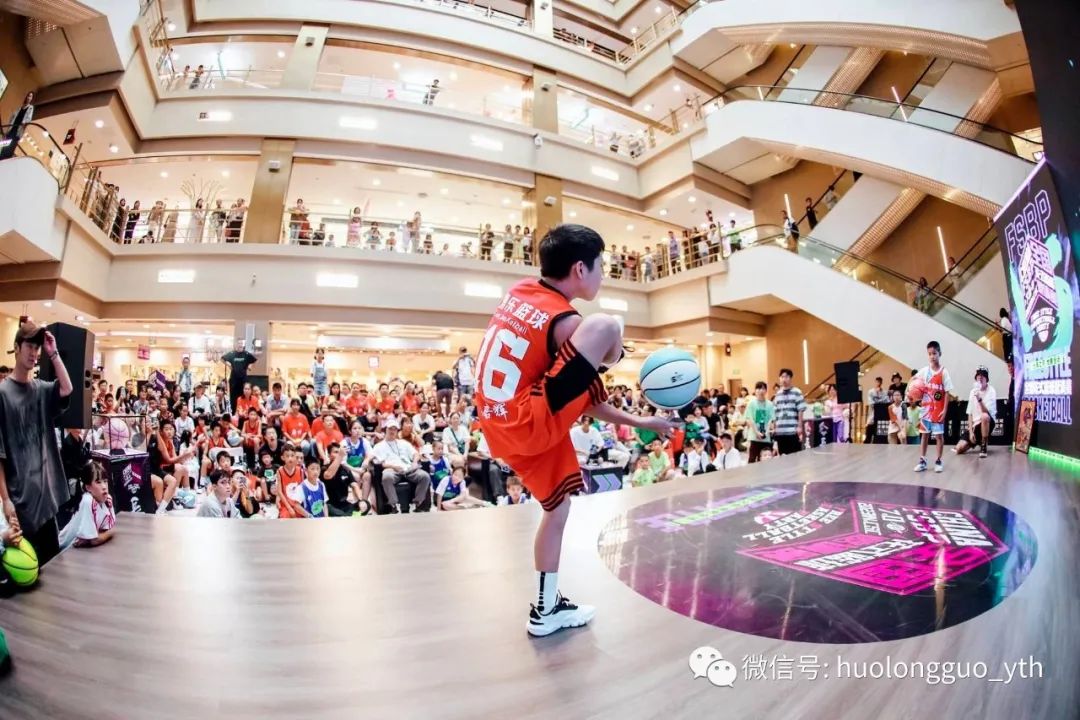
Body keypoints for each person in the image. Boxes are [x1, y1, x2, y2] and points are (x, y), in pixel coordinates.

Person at [474, 224, 679, 637]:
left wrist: (641, 422)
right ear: (580, 269)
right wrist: (612, 351)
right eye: (601, 265)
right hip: (528, 420)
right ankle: (612, 357)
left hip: (500, 419)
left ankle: (545, 608)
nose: (604, 273)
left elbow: (579, 399)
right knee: (607, 325)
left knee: (558, 510)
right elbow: (584, 376)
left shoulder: (521, 290)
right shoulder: (568, 324)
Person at [0, 319, 74, 565]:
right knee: (27, 571)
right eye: (29, 346)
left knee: (52, 569)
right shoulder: (3, 394)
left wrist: (53, 354)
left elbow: (67, 389)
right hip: (21, 502)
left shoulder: (40, 389)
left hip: (46, 498)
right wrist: (6, 500)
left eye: (37, 347)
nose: (34, 353)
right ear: (17, 347)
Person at [372, 420, 431, 512]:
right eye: (390, 429)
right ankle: (394, 504)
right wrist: (393, 467)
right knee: (387, 477)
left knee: (425, 476)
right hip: (392, 469)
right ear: (385, 430)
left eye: (395, 429)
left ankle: (417, 503)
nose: (392, 431)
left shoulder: (403, 443)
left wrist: (414, 462)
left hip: (408, 468)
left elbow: (415, 454)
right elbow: (381, 464)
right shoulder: (379, 446)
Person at [913, 340, 954, 473]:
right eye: (930, 354)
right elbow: (913, 381)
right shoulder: (924, 371)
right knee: (924, 435)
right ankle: (922, 460)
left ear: (939, 353)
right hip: (925, 410)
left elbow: (947, 392)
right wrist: (911, 393)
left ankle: (939, 460)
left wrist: (945, 410)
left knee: (938, 436)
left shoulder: (944, 372)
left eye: (934, 353)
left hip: (938, 410)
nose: (932, 356)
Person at [58, 466, 117, 549]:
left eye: (105, 481)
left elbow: (106, 529)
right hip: (65, 549)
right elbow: (95, 540)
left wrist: (95, 537)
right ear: (88, 487)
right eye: (98, 482)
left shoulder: (107, 499)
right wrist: (112, 532)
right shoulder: (87, 500)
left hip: (83, 549)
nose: (104, 487)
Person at [955, 366, 997, 458]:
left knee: (984, 416)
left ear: (987, 379)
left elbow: (986, 412)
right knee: (959, 449)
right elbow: (969, 413)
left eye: (983, 376)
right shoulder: (972, 392)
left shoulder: (991, 391)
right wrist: (971, 432)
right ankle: (976, 440)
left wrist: (979, 398)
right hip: (975, 425)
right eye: (978, 375)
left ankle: (984, 444)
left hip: (987, 422)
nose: (980, 378)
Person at [772, 369, 806, 455]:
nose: (784, 379)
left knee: (795, 456)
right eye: (782, 377)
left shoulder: (797, 392)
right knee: (783, 456)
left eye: (786, 377)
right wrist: (775, 427)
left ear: (790, 378)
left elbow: (800, 410)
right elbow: (775, 412)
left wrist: (800, 426)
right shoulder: (778, 394)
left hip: (793, 430)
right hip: (780, 431)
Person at [221, 339, 257, 412]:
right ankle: (234, 413)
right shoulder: (232, 354)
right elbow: (222, 359)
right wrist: (228, 365)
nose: (240, 345)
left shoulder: (246, 354)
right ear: (236, 344)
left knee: (243, 396)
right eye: (239, 343)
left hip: (243, 379)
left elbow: (254, 360)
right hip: (234, 380)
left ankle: (244, 411)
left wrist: (250, 366)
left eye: (241, 343)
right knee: (233, 397)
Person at [743, 381, 775, 463]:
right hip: (754, 437)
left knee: (767, 460)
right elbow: (749, 419)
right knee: (752, 460)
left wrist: (766, 432)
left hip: (766, 438)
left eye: (763, 388)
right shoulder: (751, 404)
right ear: (755, 391)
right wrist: (757, 432)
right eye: (758, 388)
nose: (761, 390)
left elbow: (770, 420)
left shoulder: (770, 404)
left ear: (766, 391)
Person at [274, 445, 308, 519]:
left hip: (298, 504)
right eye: (287, 456)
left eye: (292, 455)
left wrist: (298, 507)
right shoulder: (280, 471)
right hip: (285, 503)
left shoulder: (301, 471)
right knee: (286, 517)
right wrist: (289, 508)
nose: (290, 458)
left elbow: (302, 490)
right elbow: (280, 492)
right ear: (283, 458)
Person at [0, 92, 34, 161]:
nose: (28, 97)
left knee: (11, 147)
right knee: (5, 145)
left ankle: (5, 161)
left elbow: (28, 119)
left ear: (32, 99)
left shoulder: (30, 108)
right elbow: (12, 117)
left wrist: (24, 123)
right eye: (28, 96)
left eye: (30, 96)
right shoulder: (20, 107)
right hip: (12, 129)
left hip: (18, 131)